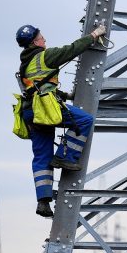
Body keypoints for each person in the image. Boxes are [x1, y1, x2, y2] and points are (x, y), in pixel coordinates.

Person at [16, 24, 106, 217]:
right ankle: (65, 157)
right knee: (84, 120)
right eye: (41, 37)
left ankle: (43, 202)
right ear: (35, 42)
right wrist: (93, 35)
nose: (45, 40)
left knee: (41, 156)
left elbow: (39, 86)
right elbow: (71, 50)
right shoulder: (44, 56)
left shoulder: (24, 64)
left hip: (31, 113)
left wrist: (65, 95)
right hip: (45, 109)